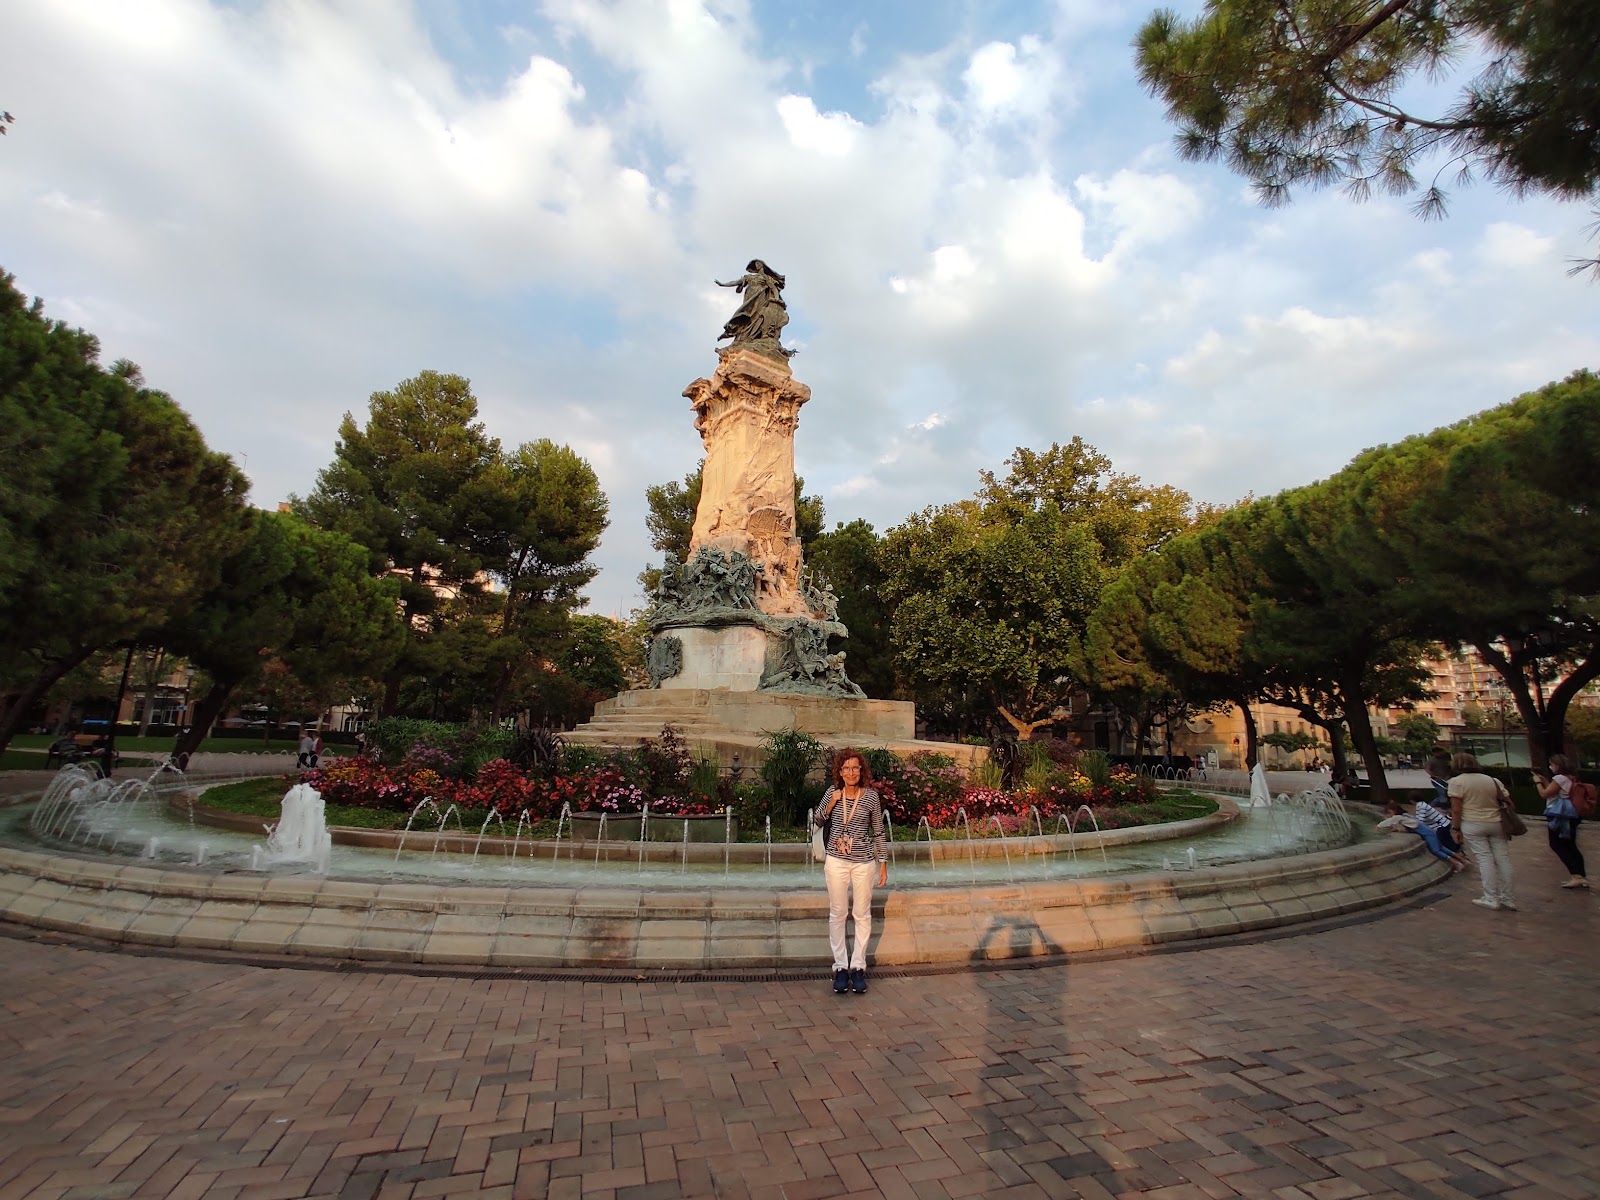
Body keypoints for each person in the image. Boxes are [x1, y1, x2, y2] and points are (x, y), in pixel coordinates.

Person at [813, 748, 888, 995]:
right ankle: (840, 968)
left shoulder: (870, 797)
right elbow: (818, 821)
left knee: (861, 913)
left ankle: (857, 966)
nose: (851, 772)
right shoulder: (831, 793)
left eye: (855, 768)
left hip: (863, 862)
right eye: (846, 768)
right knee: (837, 913)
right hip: (836, 861)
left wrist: (883, 863)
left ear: (861, 770)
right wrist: (833, 801)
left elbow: (878, 830)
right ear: (840, 772)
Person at [1447, 752, 1516, 911]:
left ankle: (1491, 897)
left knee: (1484, 859)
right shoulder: (1493, 780)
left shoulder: (1456, 782)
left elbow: (1456, 809)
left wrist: (1456, 828)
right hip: (1497, 823)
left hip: (1472, 823)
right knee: (1503, 859)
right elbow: (1509, 803)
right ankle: (1508, 898)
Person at [1534, 754, 1587, 890]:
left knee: (1557, 844)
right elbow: (1556, 792)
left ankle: (1576, 876)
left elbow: (1544, 794)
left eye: (1552, 764)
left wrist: (1538, 782)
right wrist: (1546, 781)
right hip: (1571, 814)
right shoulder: (1570, 777)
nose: (1550, 767)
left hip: (1560, 815)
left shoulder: (1559, 778)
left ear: (1557, 765)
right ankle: (1580, 875)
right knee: (1570, 845)